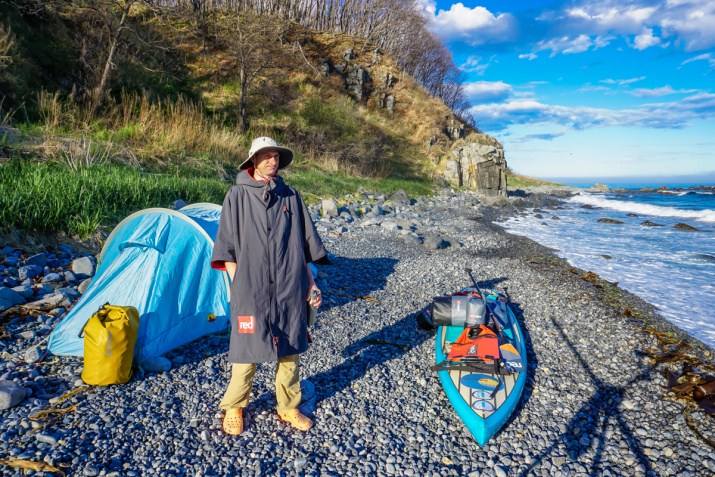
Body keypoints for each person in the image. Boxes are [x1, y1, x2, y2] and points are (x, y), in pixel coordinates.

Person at [211, 136, 327, 435]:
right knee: (246, 350)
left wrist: (311, 284)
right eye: (266, 156)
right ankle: (234, 406)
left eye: (275, 156)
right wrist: (238, 285)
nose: (272, 161)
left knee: (290, 349)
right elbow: (226, 249)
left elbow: (303, 248)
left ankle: (288, 407)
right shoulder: (236, 195)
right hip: (250, 288)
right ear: (253, 160)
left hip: (289, 285)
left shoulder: (291, 196)